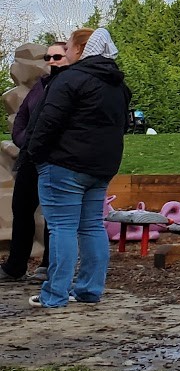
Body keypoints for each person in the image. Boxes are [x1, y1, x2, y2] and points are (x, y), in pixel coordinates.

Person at [25, 27, 131, 310]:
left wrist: (34, 154)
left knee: (62, 228)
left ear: (81, 50)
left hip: (63, 164)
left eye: (70, 45)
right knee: (92, 226)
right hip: (100, 167)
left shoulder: (70, 79)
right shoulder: (118, 86)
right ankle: (89, 289)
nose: (66, 51)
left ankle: (54, 294)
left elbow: (48, 121)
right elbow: (123, 125)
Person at [2, 41, 69, 282]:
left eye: (57, 57)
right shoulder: (40, 86)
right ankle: (15, 265)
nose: (51, 62)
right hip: (30, 157)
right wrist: (24, 140)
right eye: (48, 57)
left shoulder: (70, 85)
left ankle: (48, 264)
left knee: (53, 214)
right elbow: (22, 118)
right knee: (21, 209)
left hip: (56, 158)